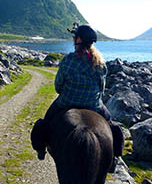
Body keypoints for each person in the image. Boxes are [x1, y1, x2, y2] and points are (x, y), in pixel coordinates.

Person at [43, 24, 124, 172]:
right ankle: (114, 158)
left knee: (45, 121)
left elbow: (58, 86)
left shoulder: (68, 60)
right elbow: (101, 88)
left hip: (66, 102)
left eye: (75, 37)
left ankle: (41, 148)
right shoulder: (100, 64)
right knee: (112, 126)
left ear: (78, 39)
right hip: (94, 105)